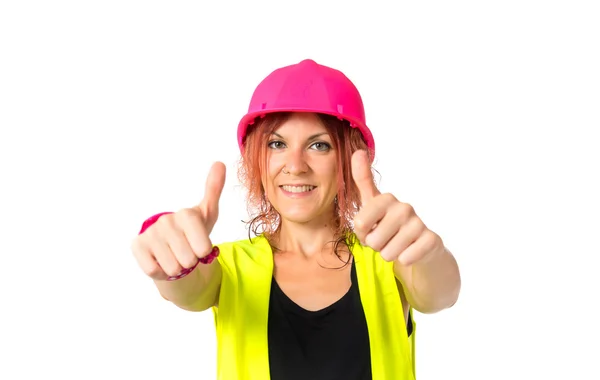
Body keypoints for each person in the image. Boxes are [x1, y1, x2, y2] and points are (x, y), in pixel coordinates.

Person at [131, 59, 461, 380]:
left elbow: (440, 295)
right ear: (256, 158)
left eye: (319, 145)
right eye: (277, 144)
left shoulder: (388, 261)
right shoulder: (228, 266)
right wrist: (170, 253)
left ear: (349, 157)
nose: (295, 165)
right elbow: (187, 290)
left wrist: (429, 253)